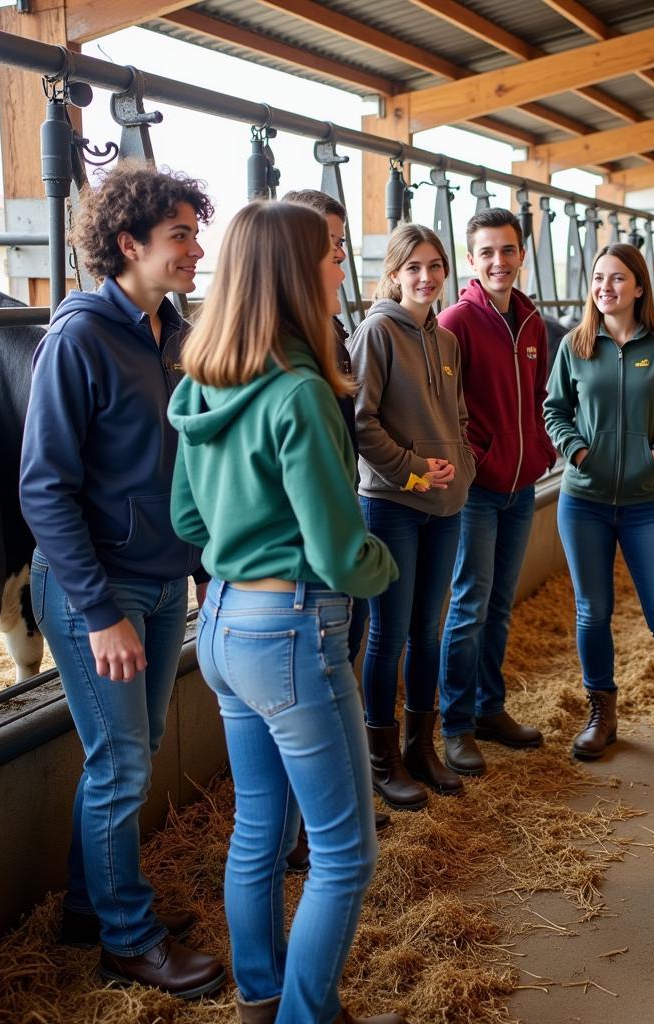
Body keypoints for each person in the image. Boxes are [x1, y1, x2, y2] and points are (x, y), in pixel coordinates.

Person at [168, 201, 403, 1024]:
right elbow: (342, 553)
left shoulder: (205, 382)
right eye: (332, 256)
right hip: (295, 630)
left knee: (258, 830)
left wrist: (248, 542)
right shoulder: (300, 393)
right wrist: (386, 566)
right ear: (298, 275)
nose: (342, 268)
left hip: (225, 625)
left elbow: (188, 523)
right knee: (345, 854)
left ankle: (261, 999)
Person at [19, 166, 225, 997]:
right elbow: (43, 486)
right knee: (122, 767)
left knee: (125, 759)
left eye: (194, 233)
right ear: (129, 244)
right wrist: (100, 612)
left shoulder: (171, 333)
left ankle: (86, 911)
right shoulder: (79, 337)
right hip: (94, 591)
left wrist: (204, 565)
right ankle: (128, 941)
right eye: (181, 234)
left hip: (160, 575)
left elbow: (187, 466)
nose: (196, 248)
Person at [543, 243, 654, 782]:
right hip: (584, 502)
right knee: (591, 612)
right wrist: (577, 451)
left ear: (640, 287)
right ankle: (602, 713)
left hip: (646, 503)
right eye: (599, 278)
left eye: (618, 278)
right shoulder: (575, 345)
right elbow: (554, 409)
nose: (606, 287)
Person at [279, 189, 393, 868]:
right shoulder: (293, 373)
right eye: (330, 247)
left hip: (309, 571)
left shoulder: (327, 343)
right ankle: (315, 829)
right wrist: (373, 562)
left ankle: (307, 823)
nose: (341, 261)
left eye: (343, 245)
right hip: (302, 581)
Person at [349, 224, 476, 811]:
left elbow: (460, 416)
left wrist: (463, 463)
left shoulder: (445, 340)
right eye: (414, 268)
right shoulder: (376, 332)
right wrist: (410, 468)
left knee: (429, 631)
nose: (426, 278)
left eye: (435, 266)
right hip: (393, 504)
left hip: (446, 506)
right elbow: (361, 420)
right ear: (395, 274)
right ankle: (383, 761)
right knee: (390, 634)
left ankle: (421, 748)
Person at [436, 208, 556, 776]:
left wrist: (540, 451)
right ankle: (455, 725)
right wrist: (475, 461)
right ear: (470, 259)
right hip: (479, 490)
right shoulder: (455, 322)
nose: (498, 262)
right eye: (486, 252)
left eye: (507, 251)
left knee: (500, 606)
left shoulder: (532, 322)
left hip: (521, 484)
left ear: (521, 255)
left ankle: (490, 709)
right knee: (468, 606)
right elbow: (443, 410)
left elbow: (539, 399)